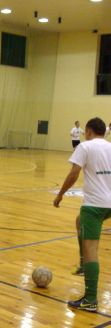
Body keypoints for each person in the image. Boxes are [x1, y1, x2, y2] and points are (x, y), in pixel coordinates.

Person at [54, 117, 111, 312]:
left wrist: (60, 195)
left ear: (87, 131)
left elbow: (73, 174)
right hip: (109, 205)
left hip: (94, 206)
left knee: (91, 250)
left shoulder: (85, 147)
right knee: (79, 222)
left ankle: (91, 299)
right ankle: (81, 263)